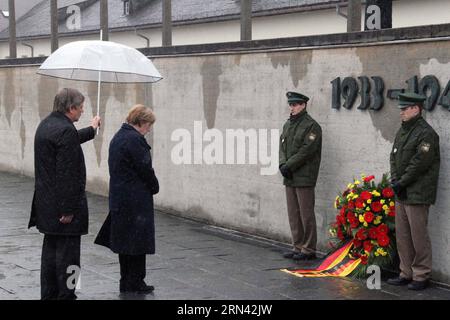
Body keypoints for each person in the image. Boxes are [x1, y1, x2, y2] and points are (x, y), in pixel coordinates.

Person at [28, 88, 101, 300]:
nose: (82, 110)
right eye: (80, 107)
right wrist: (68, 210)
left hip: (46, 205)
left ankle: (49, 294)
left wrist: (92, 129)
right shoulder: (65, 131)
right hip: (64, 208)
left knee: (50, 255)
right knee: (70, 258)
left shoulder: (47, 125)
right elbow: (68, 174)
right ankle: (68, 294)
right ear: (71, 108)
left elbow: (67, 141)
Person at [95, 105, 159, 294]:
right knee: (137, 244)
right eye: (149, 125)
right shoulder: (135, 140)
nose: (149, 129)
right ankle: (135, 282)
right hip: (135, 200)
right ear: (141, 122)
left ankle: (128, 281)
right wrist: (155, 186)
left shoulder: (119, 136)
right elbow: (145, 168)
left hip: (121, 198)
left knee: (126, 244)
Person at [387, 92, 440, 291]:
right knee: (403, 235)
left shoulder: (426, 133)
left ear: (416, 109)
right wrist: (395, 181)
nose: (401, 112)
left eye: (404, 108)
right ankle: (405, 272)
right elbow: (393, 157)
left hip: (417, 193)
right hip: (402, 191)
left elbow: (420, 164)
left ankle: (421, 274)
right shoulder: (403, 131)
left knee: (419, 236)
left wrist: (401, 183)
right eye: (401, 108)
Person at [279, 91, 322, 261]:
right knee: (293, 213)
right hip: (289, 175)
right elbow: (282, 146)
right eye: (291, 104)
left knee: (306, 213)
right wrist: (282, 164)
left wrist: (289, 165)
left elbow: (307, 150)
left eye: (295, 104)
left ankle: (309, 249)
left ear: (303, 105)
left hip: (304, 175)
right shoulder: (288, 125)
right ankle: (297, 246)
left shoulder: (312, 126)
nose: (292, 107)